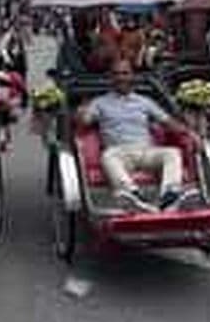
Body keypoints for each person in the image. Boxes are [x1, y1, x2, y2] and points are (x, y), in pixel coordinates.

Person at [79, 56, 190, 210]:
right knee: (108, 156)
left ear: (132, 76)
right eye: (116, 74)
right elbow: (84, 122)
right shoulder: (99, 102)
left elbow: (169, 122)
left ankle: (169, 195)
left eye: (125, 73)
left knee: (172, 153)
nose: (121, 78)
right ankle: (133, 194)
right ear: (111, 77)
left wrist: (191, 134)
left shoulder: (144, 102)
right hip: (119, 153)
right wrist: (83, 110)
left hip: (147, 151)